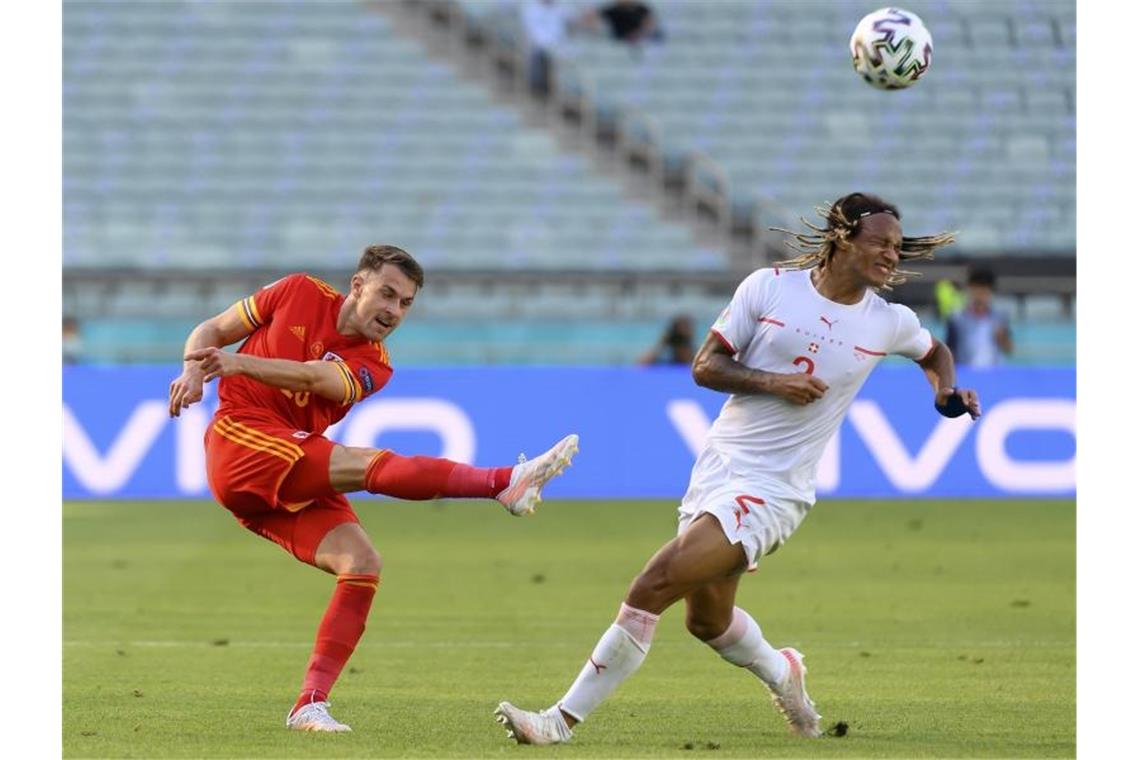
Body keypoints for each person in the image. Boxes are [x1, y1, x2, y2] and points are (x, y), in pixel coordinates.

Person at [493, 193, 980, 745]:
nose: (892, 256)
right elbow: (706, 366)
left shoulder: (888, 321)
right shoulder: (769, 287)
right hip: (718, 468)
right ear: (842, 236)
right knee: (706, 622)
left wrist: (944, 393)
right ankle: (783, 672)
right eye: (880, 243)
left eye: (897, 246)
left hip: (776, 489)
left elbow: (934, 351)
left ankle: (559, 721)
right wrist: (776, 382)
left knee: (652, 585)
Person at [168, 244, 579, 733]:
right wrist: (193, 367)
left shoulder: (375, 364)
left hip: (284, 464)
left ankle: (309, 703)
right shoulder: (296, 291)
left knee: (361, 563)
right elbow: (213, 330)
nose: (393, 311)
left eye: (405, 303)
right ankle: (501, 483)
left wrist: (236, 365)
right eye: (387, 294)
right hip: (241, 441)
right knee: (363, 463)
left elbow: (316, 378)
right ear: (358, 285)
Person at [944, 265, 1013, 367]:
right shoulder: (956, 318)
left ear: (990, 292)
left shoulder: (1000, 317)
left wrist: (1001, 337)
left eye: (984, 291)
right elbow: (949, 352)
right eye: (976, 290)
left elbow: (1009, 349)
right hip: (966, 374)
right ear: (969, 289)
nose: (979, 296)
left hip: (993, 374)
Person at [520, 0, 574, 99]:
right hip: (540, 46)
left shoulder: (560, 7)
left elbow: (571, 21)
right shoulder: (531, 9)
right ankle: (540, 91)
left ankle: (568, 92)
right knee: (539, 55)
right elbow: (535, 34)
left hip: (560, 45)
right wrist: (551, 46)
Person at [579, 0, 662, 46]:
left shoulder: (642, 9)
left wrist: (638, 35)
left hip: (638, 41)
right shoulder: (612, 10)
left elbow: (650, 25)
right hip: (618, 41)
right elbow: (592, 16)